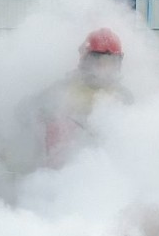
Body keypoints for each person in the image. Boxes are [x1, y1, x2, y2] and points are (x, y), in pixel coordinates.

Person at [40, 27, 132, 163]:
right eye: (99, 62)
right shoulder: (65, 88)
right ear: (86, 60)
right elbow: (27, 110)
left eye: (110, 62)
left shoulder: (123, 96)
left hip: (110, 166)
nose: (104, 68)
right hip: (65, 166)